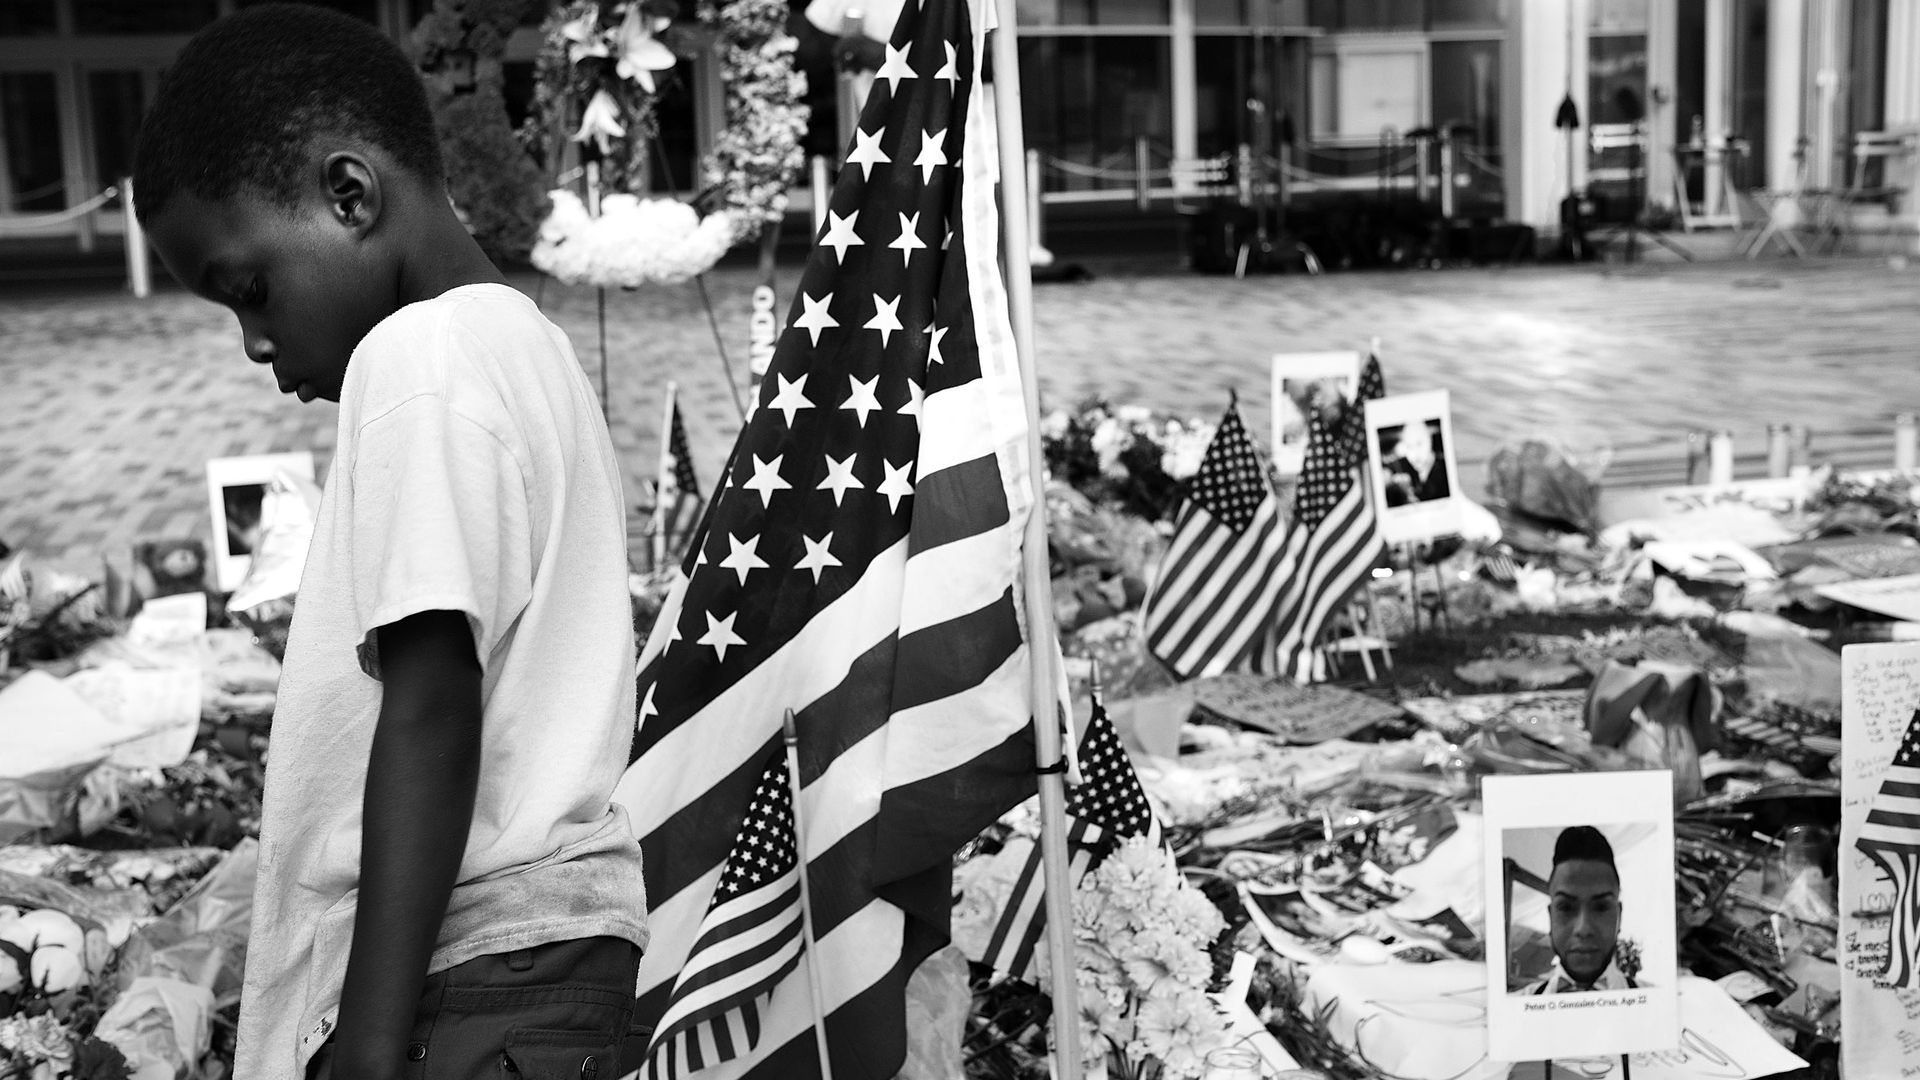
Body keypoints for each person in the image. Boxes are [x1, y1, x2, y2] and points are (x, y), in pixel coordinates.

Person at [131, 7, 648, 1079]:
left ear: (350, 195)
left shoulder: (419, 358)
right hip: (548, 975)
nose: (257, 346)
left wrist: (366, 1052)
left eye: (249, 290)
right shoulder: (526, 346)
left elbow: (429, 705)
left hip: (459, 989)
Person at [1525, 826, 1636, 994]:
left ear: (1619, 916)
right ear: (1550, 916)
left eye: (1601, 907)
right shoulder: (1512, 1010)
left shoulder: (1658, 1004)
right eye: (1566, 907)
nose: (1583, 929)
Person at [1383, 421, 1450, 507]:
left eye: (1419, 444)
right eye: (1409, 447)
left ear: (1430, 441)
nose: (1414, 455)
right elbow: (1387, 467)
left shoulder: (1445, 470)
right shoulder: (1405, 465)